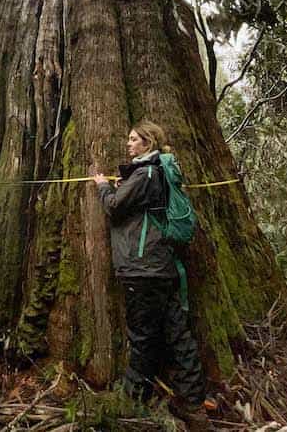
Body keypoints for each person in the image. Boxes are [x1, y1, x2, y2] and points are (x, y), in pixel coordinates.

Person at [93, 120, 212, 427]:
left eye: (134, 139)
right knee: (177, 334)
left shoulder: (146, 172)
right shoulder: (155, 172)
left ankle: (132, 401)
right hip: (163, 268)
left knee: (143, 337)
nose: (128, 144)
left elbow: (114, 206)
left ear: (147, 144)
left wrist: (102, 186)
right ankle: (193, 402)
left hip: (142, 268)